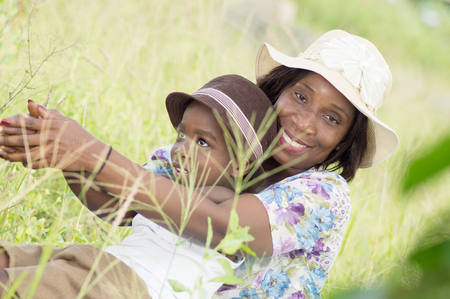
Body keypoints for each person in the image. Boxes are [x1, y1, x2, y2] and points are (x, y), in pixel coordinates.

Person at [0, 29, 399, 298]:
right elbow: (117, 202)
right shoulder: (224, 143)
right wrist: (64, 156)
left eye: (332, 118)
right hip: (120, 270)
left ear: (346, 140)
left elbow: (222, 225)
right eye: (300, 96)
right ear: (279, 90)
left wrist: (90, 153)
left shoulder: (324, 196)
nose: (305, 122)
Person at [0, 74, 278, 299]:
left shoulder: (226, 202)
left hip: (126, 286)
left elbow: (188, 209)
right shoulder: (168, 185)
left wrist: (86, 152)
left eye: (202, 142)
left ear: (240, 165)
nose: (181, 149)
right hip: (100, 267)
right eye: (181, 135)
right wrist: (68, 160)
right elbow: (112, 208)